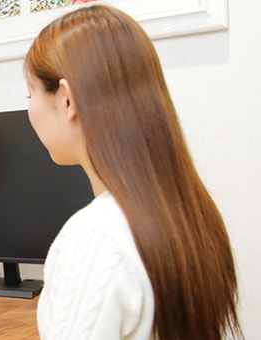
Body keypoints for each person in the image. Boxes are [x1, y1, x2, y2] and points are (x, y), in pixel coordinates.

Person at [24, 5, 242, 340]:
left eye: (30, 92)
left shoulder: (95, 236)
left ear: (66, 99)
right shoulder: (189, 212)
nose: (29, 108)